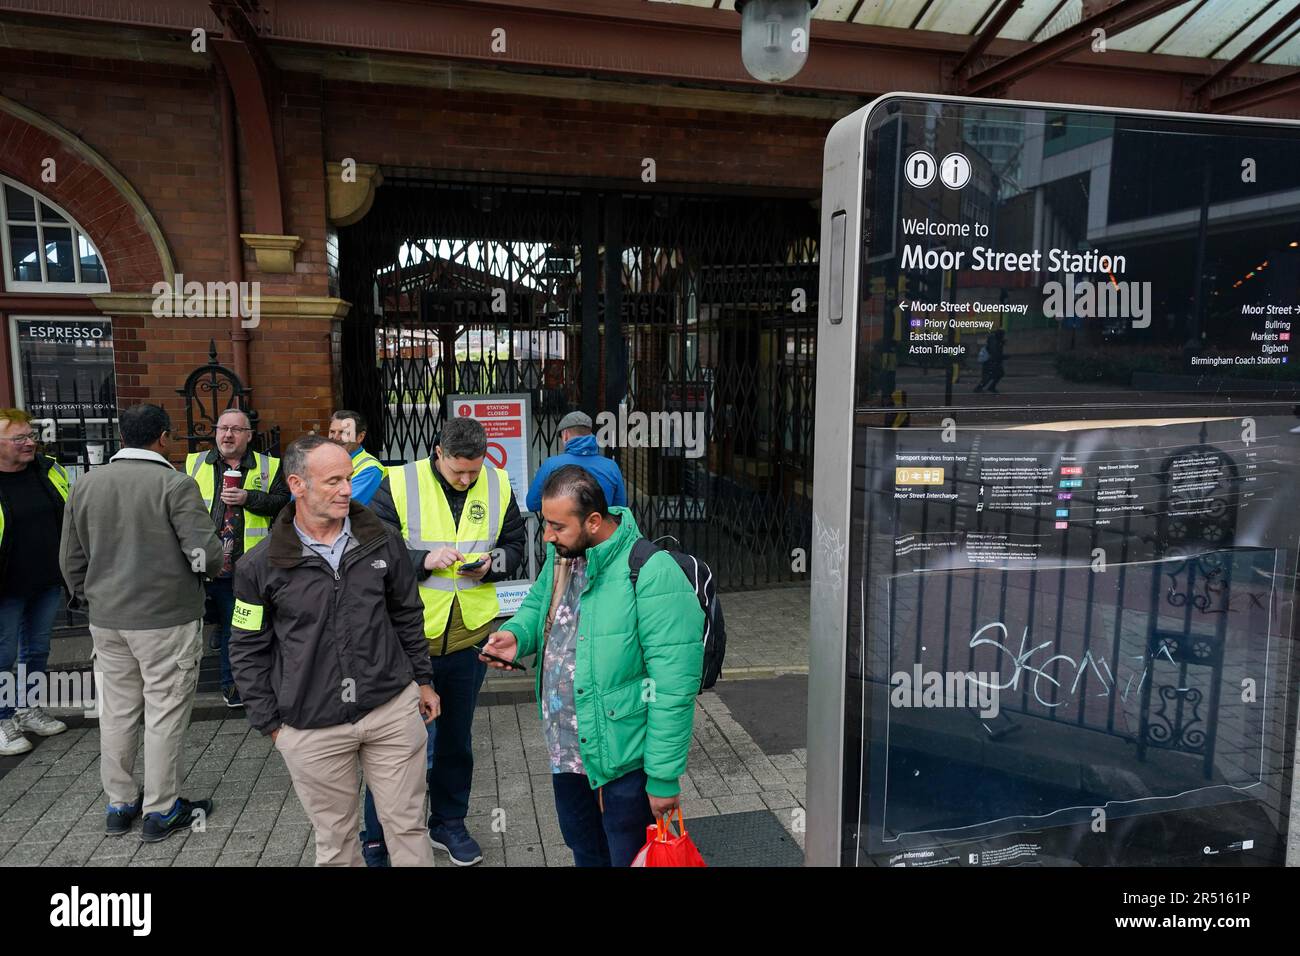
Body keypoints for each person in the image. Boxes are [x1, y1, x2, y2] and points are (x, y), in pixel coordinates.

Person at [229, 435, 439, 867]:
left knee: (409, 827)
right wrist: (272, 725)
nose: (347, 489)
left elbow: (407, 614)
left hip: (390, 709)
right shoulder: (259, 565)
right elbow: (247, 649)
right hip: (310, 725)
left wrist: (423, 680)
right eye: (333, 481)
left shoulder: (382, 540)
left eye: (349, 478)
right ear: (297, 485)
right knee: (337, 843)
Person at [482, 465, 704, 867]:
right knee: (585, 850)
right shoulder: (564, 554)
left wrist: (664, 777)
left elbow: (674, 688)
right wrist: (517, 635)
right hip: (566, 750)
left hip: (623, 761)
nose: (547, 536)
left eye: (556, 526)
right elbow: (539, 604)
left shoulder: (651, 573)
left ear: (594, 521)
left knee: (629, 856)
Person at [367, 415, 526, 866]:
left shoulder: (497, 482)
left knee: (456, 741)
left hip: (467, 640)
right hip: (405, 642)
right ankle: (378, 837)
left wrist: (492, 562)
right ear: (438, 453)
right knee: (395, 747)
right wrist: (422, 559)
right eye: (459, 470)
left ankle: (448, 825)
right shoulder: (397, 482)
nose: (467, 479)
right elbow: (372, 549)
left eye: (473, 471)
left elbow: (515, 544)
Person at [60, 404, 223, 840]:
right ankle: (161, 810)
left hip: (107, 618)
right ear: (164, 437)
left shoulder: (87, 484)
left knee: (116, 713)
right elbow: (206, 555)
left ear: (122, 435)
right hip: (166, 619)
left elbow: (70, 557)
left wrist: (88, 596)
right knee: (165, 713)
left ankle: (120, 803)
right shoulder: (175, 484)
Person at [185, 408, 288, 708]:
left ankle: (232, 687)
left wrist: (249, 498)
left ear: (248, 435)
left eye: (235, 429)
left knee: (238, 630)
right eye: (222, 428)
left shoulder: (268, 466)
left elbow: (283, 504)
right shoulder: (196, 463)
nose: (227, 435)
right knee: (197, 627)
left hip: (245, 567)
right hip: (202, 563)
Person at [0, 409, 70, 755]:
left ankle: (27, 709)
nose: (30, 443)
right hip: (5, 587)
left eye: (31, 436)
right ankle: (2, 719)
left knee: (37, 650)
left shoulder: (47, 469)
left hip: (44, 578)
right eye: (20, 438)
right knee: (2, 654)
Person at [526, 410, 627, 514]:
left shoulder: (551, 465)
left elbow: (532, 504)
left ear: (565, 434)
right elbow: (620, 509)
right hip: (599, 528)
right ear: (590, 433)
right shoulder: (611, 467)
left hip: (563, 529)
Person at [328, 409, 385, 506]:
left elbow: (340, 506)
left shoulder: (370, 469)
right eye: (332, 432)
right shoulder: (325, 461)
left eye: (343, 432)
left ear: (360, 437)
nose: (336, 438)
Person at [973, 328, 1006, 394]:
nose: (1003, 336)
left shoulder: (995, 339)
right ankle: (981, 387)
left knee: (996, 374)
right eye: (1002, 334)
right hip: (990, 361)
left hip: (992, 361)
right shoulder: (995, 341)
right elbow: (994, 353)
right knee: (990, 375)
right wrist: (1003, 357)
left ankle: (988, 387)